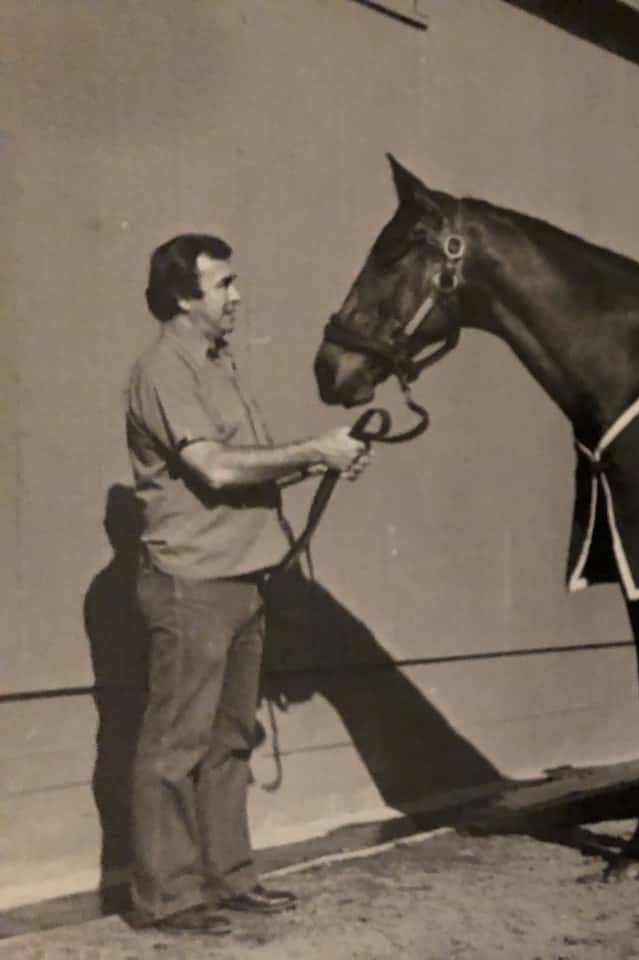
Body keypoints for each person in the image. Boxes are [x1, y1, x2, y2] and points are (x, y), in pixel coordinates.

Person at [124, 233, 372, 936]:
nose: (237, 296)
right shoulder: (164, 370)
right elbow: (219, 470)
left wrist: (319, 460)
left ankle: (227, 880)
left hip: (243, 577)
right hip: (192, 583)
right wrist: (312, 451)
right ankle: (167, 900)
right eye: (223, 284)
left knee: (230, 739)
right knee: (176, 745)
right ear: (182, 295)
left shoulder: (216, 364)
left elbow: (251, 462)